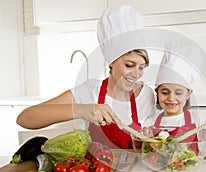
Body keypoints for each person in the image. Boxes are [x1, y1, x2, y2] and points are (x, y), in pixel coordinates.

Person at [16, 5, 156, 149]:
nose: (137, 74)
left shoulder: (147, 94)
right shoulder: (89, 92)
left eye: (141, 67)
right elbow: (25, 118)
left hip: (137, 168)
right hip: (98, 168)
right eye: (129, 65)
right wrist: (81, 110)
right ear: (112, 62)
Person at [144, 43, 206, 153]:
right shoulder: (150, 123)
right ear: (157, 92)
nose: (171, 98)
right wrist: (146, 138)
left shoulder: (201, 122)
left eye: (178, 93)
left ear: (188, 93)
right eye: (165, 92)